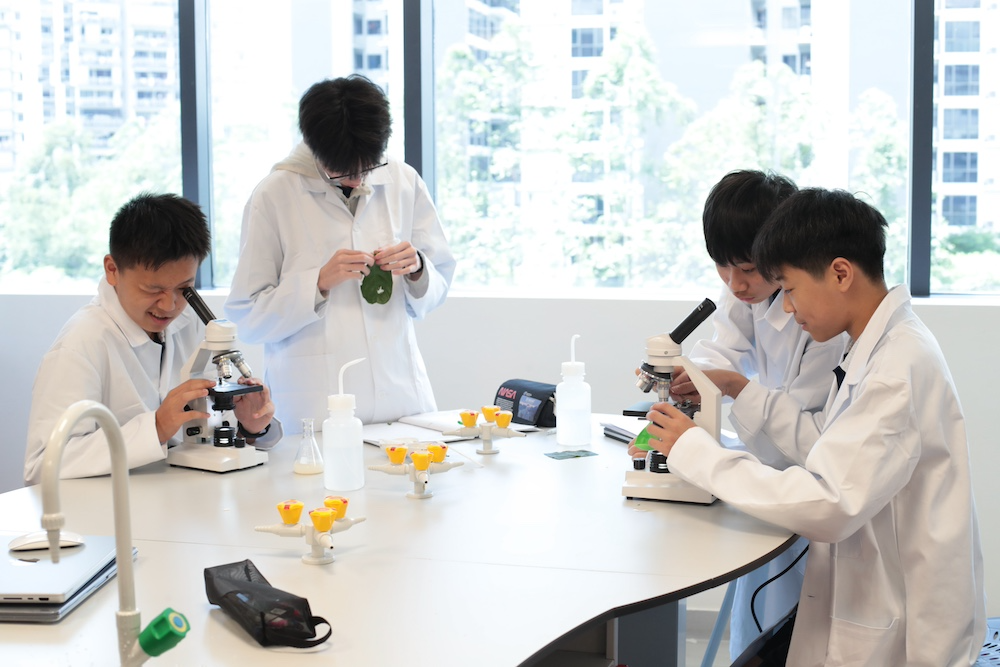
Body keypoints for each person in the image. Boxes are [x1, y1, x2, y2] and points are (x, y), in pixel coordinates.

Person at [640, 188, 986, 666]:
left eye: (790, 289)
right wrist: (736, 391)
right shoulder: (877, 346)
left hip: (907, 631)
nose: (785, 308)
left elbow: (829, 502)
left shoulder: (894, 369)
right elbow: (826, 444)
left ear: (840, 273)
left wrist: (696, 453)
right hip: (873, 597)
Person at [663, 170, 846, 660]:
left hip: (806, 482)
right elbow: (721, 350)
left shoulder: (822, 320)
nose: (735, 284)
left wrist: (733, 387)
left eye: (746, 269)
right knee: (759, 625)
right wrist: (690, 375)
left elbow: (804, 430)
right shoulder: (745, 289)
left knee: (792, 629)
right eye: (722, 268)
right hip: (773, 472)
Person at [225, 75, 455, 431]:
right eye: (342, 172)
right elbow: (248, 318)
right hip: (315, 410)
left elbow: (439, 281)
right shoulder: (274, 195)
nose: (357, 180)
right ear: (315, 149)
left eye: (366, 168)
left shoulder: (403, 180)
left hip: (402, 401)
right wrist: (316, 284)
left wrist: (418, 269)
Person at [25, 194, 280, 484]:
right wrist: (156, 428)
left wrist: (250, 426)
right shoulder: (80, 344)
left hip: (183, 494)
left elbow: (210, 425)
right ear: (112, 270)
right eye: (152, 290)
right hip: (114, 506)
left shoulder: (189, 322)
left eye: (184, 288)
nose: (169, 305)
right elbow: (42, 466)